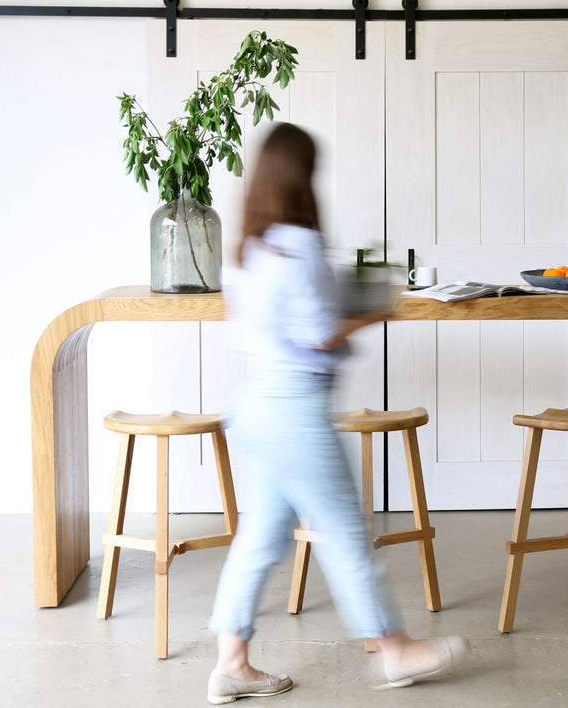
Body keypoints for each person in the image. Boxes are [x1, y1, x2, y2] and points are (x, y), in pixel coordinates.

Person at [206, 122, 467, 705]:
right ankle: (395, 650)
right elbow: (320, 333)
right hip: (297, 409)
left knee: (261, 537)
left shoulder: (247, 249)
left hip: (258, 406)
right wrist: (378, 310)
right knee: (347, 531)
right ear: (302, 178)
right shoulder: (296, 246)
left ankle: (231, 664)